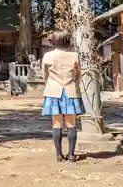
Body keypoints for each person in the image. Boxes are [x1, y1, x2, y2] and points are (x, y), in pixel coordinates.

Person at [42, 29, 86, 162]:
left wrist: (51, 84)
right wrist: (74, 83)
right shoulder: (74, 56)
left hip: (53, 91)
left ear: (53, 41)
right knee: (71, 124)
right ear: (68, 41)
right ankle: (71, 155)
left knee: (56, 124)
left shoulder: (47, 56)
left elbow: (45, 76)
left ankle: (59, 155)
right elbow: (78, 74)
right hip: (70, 90)